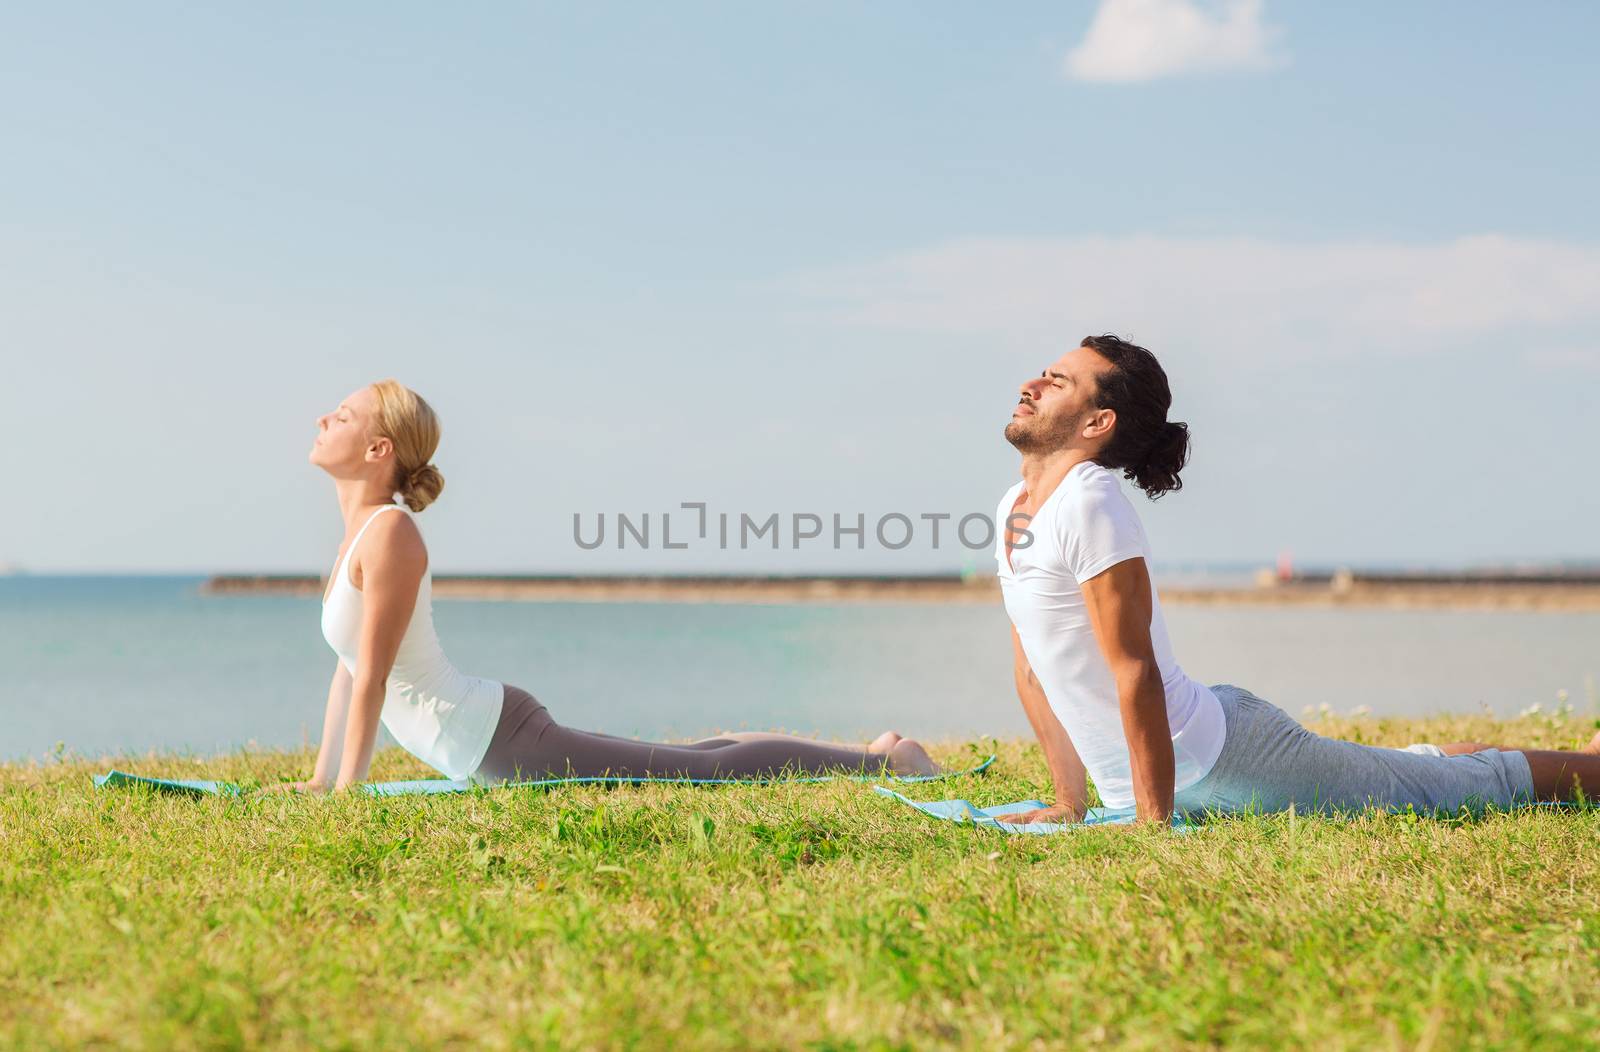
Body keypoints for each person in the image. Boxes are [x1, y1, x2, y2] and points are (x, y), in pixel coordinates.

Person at [995, 334, 1600, 825]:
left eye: (1058, 382)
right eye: (1045, 374)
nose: (1032, 384)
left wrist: (1152, 823)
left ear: (1098, 422)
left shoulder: (1090, 500)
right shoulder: (1011, 509)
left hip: (1227, 757)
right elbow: (1033, 670)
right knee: (1410, 771)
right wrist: (1069, 804)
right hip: (1169, 773)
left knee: (1464, 789)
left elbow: (1135, 667)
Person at [268, 379, 938, 794]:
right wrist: (323, 779)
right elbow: (350, 668)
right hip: (486, 739)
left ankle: (884, 764)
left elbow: (374, 682)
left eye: (342, 415)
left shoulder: (391, 534)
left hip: (498, 741)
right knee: (691, 758)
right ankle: (872, 752)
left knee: (698, 773)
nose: (324, 420)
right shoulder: (355, 540)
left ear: (379, 450)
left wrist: (347, 795)